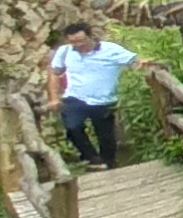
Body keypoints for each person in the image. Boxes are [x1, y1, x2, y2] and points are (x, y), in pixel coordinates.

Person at [47, 21, 140, 171]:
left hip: (104, 100)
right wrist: (54, 98)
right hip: (75, 97)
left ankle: (109, 165)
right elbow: (54, 73)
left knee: (106, 136)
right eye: (73, 42)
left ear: (90, 36)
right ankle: (91, 158)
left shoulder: (110, 50)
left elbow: (135, 61)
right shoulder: (65, 51)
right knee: (72, 127)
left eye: (81, 40)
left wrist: (147, 66)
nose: (78, 45)